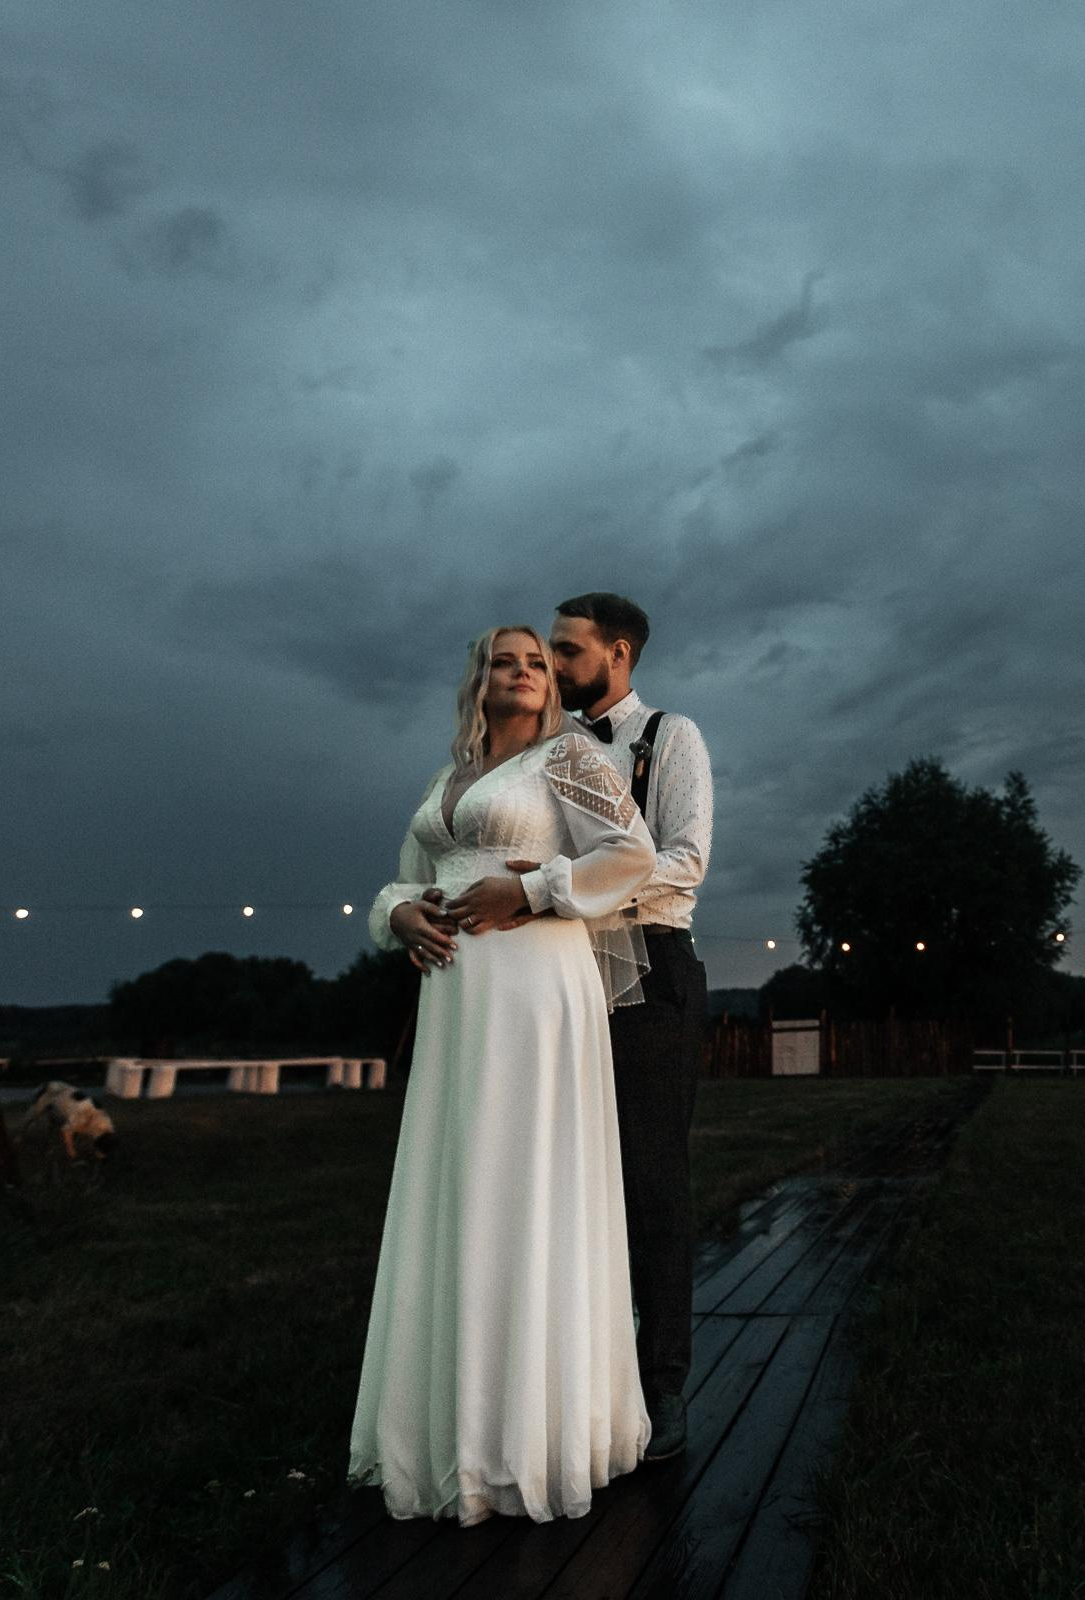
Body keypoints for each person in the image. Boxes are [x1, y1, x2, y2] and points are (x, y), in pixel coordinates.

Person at [348, 624, 660, 1523]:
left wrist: (529, 890)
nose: (522, 672)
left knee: (528, 1188)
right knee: (458, 1190)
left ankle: (535, 1434)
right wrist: (400, 918)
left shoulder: (566, 761)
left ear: (549, 684)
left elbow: (631, 855)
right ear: (477, 680)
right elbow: (405, 881)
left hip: (534, 989)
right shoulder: (446, 779)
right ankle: (451, 1433)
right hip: (453, 1005)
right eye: (503, 661)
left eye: (536, 661)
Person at [547, 591, 713, 1461]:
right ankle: (587, 1379)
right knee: (575, 1184)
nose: (555, 665)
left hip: (653, 968)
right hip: (566, 977)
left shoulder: (670, 738)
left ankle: (667, 1386)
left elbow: (684, 861)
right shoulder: (555, 754)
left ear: (618, 653)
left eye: (568, 651)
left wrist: (573, 890)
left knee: (653, 1184)